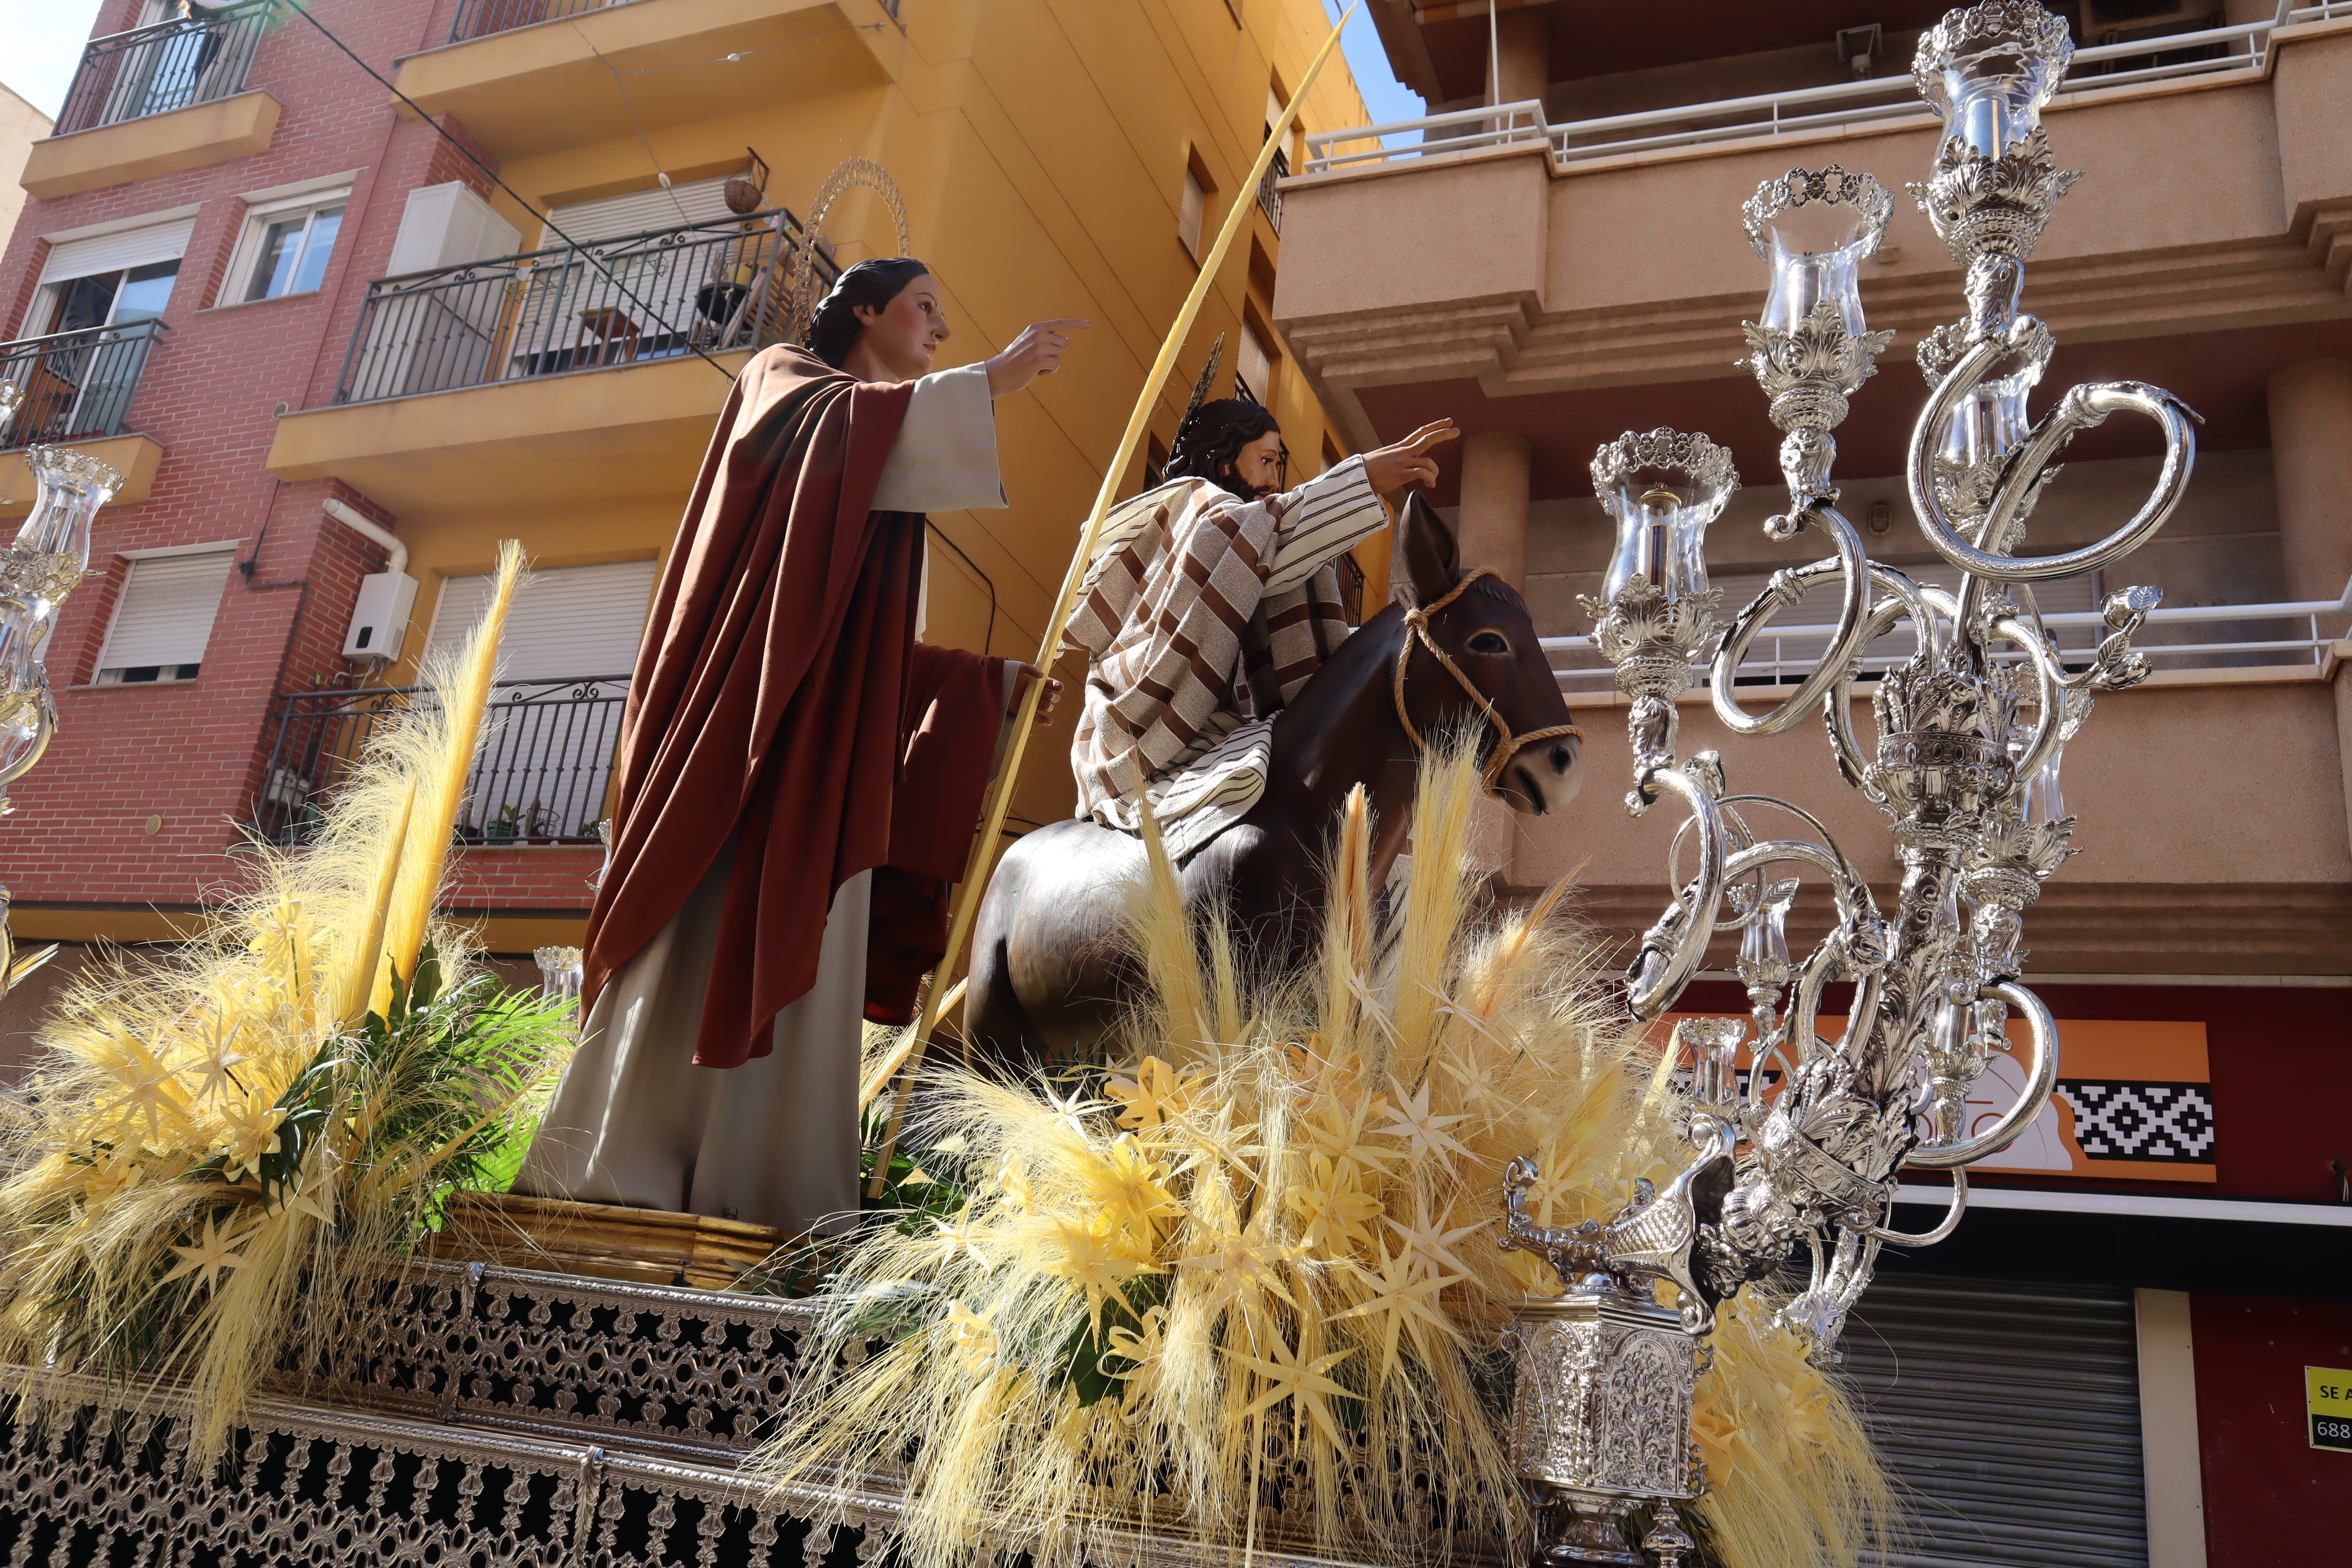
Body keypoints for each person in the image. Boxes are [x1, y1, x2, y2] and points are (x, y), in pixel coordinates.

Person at [515, 259, 1081, 1234]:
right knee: (702, 930)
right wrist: (987, 382)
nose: (940, 331)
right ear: (863, 310)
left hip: (812, 749)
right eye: (924, 308)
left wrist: (978, 684)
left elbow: (844, 641)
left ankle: (768, 1191)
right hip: (738, 742)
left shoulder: (873, 456)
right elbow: (796, 550)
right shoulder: (782, 381)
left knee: (810, 941)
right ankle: (622, 1170)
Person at [1060, 392, 1456, 861]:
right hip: (1161, 739)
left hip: (1224, 728)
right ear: (1224, 460)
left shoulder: (1240, 532)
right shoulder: (1196, 510)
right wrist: (1362, 477)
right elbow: (1272, 542)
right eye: (1265, 461)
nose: (1273, 479)